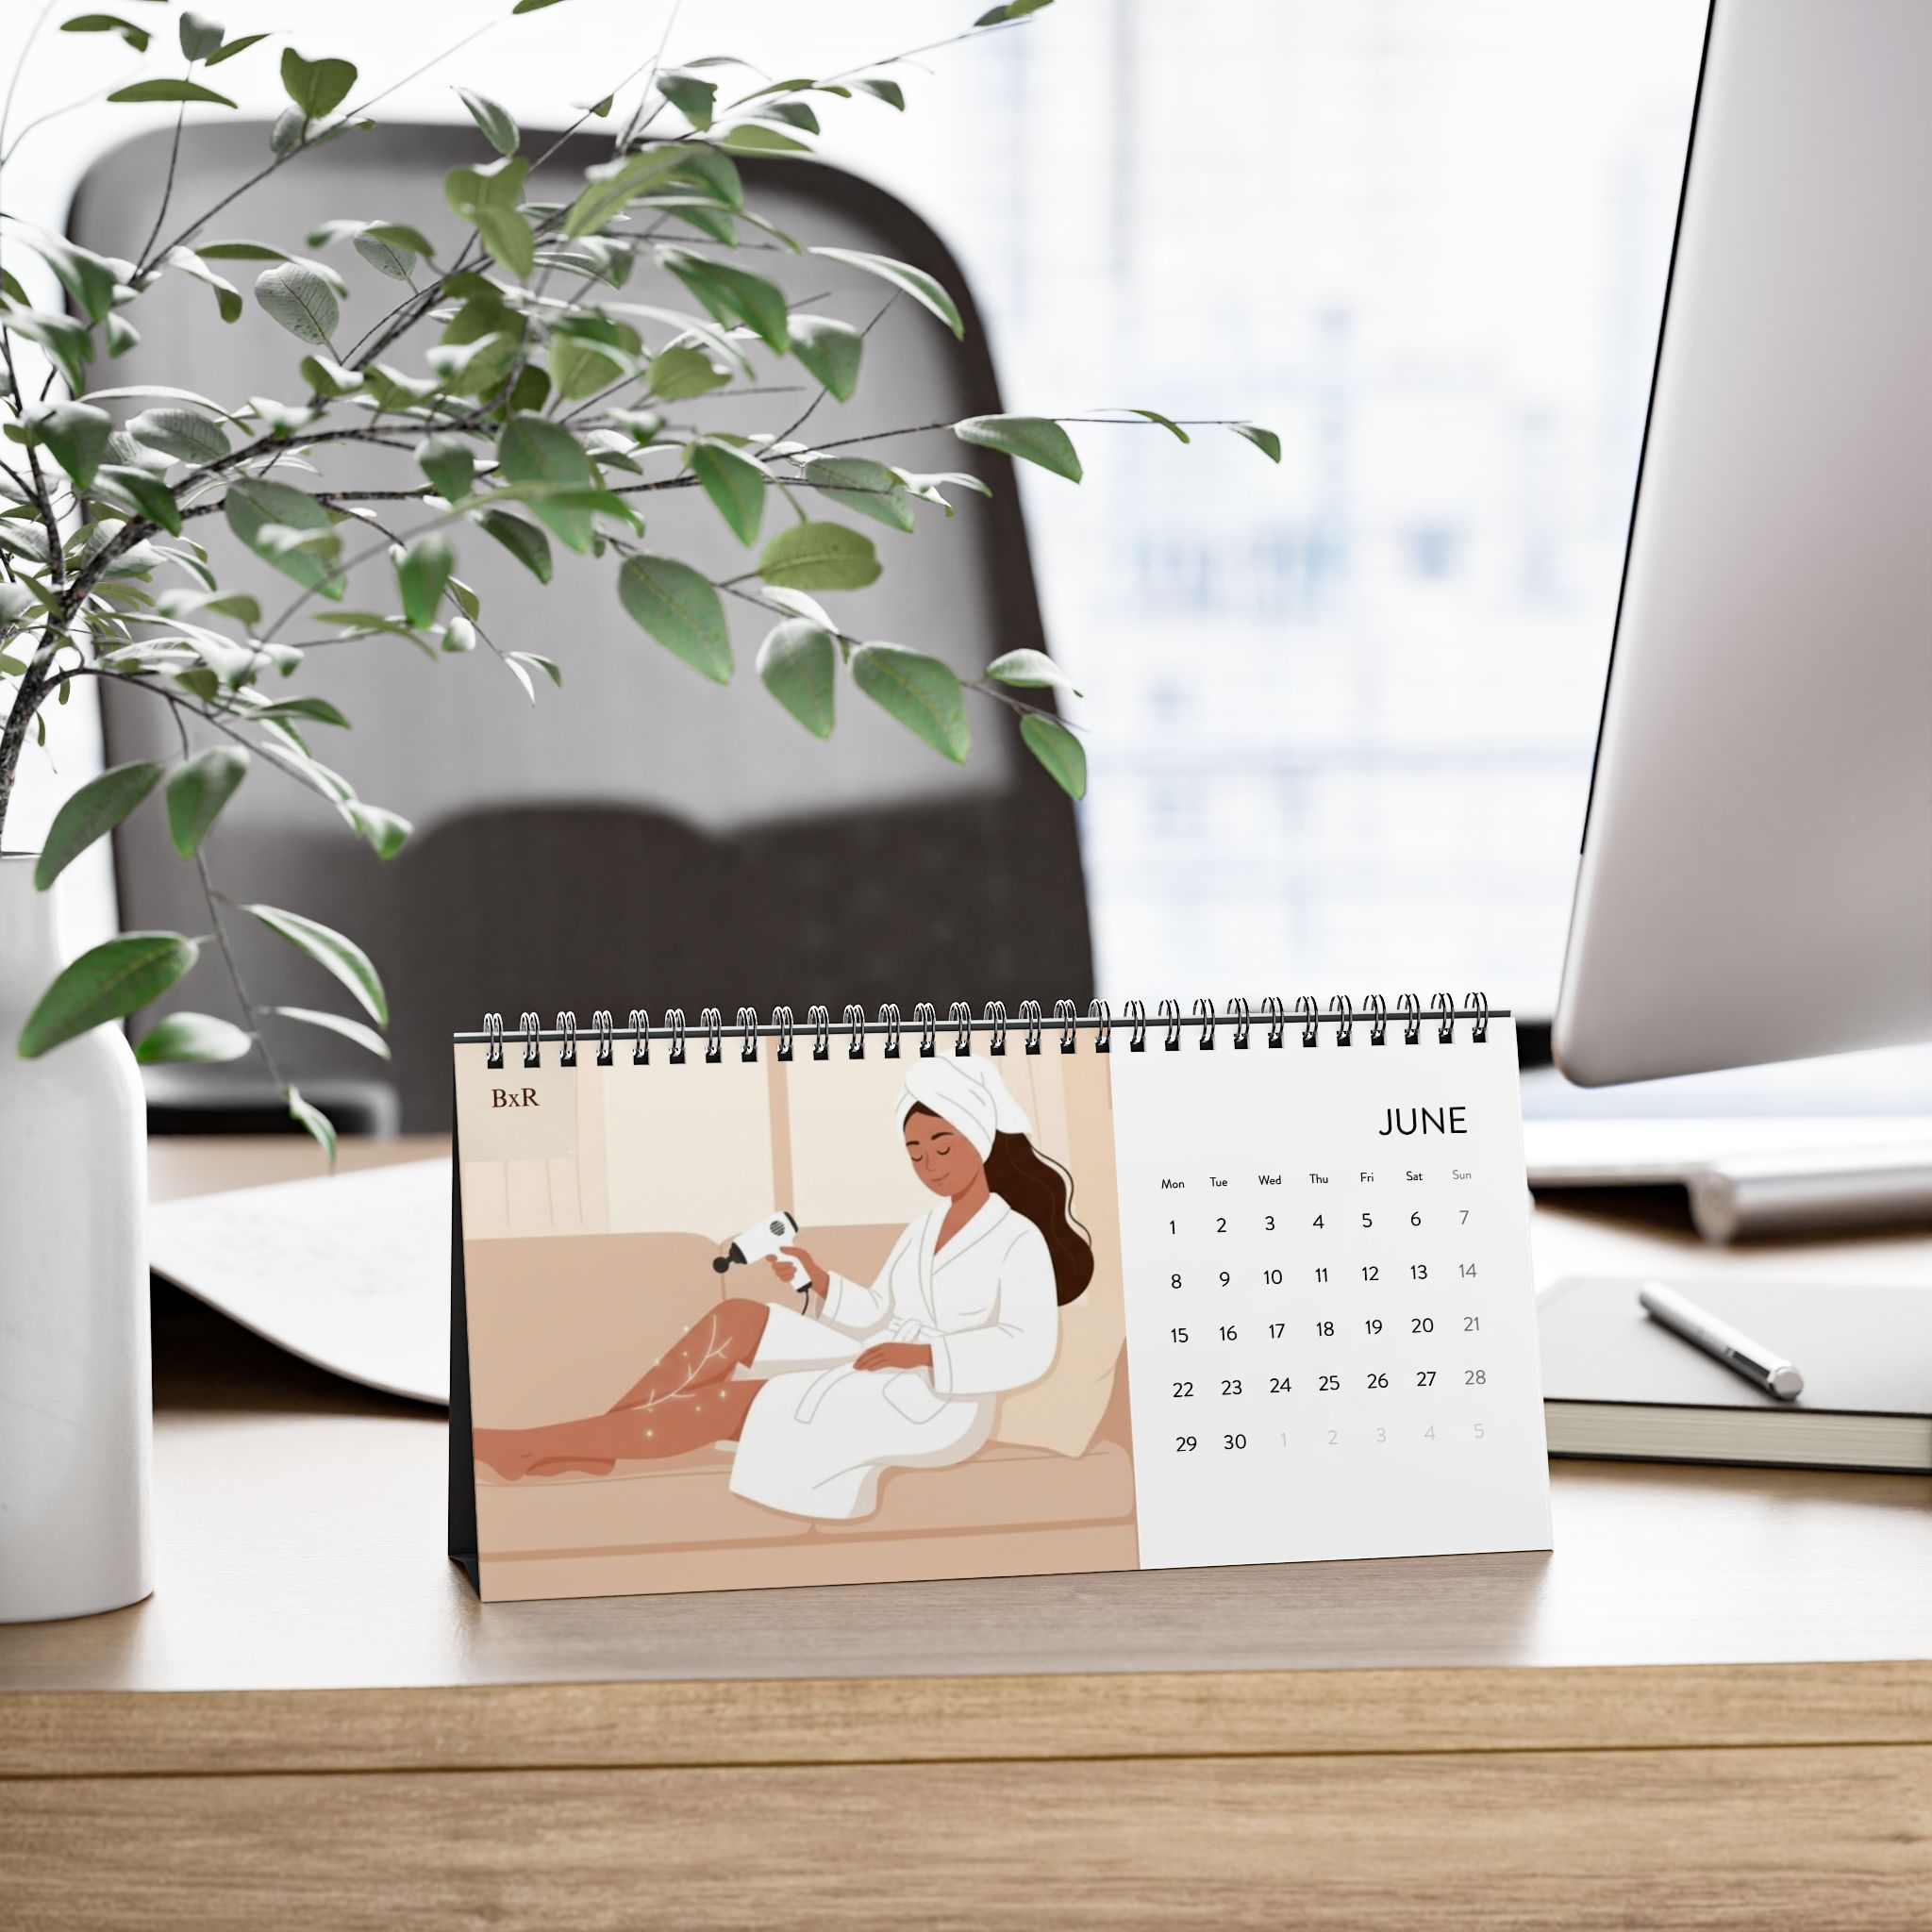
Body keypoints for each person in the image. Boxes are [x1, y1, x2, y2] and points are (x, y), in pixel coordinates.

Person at [473, 1056, 1095, 1522]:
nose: (929, 1165)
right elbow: (879, 1311)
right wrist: (818, 1279)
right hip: (885, 1360)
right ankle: (600, 1441)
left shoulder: (1017, 1238)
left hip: (940, 1403)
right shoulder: (923, 1228)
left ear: (979, 1140)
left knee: (735, 1402)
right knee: (741, 1317)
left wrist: (923, 1354)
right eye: (915, 1153)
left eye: (942, 1145)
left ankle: (536, 1448)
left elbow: (1028, 1347)